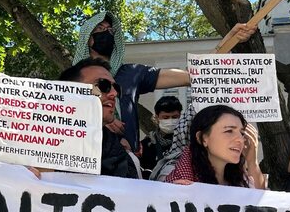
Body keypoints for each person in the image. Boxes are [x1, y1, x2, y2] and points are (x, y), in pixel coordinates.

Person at [72, 12, 255, 150]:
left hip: (126, 157)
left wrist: (229, 40)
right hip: (84, 154)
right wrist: (102, 116)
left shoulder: (132, 73)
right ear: (88, 39)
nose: (107, 33)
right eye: (100, 30)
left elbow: (192, 74)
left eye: (110, 30)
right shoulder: (73, 79)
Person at [57, 58, 139, 179]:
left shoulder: (124, 156)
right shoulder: (34, 148)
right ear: (71, 92)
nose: (114, 94)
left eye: (116, 88)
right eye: (103, 85)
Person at [163, 104, 265, 188]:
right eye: (229, 131)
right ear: (202, 138)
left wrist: (252, 162)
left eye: (242, 133)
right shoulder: (176, 181)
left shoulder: (240, 180)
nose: (240, 139)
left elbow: (260, 205)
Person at [139, 95, 182, 175]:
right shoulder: (146, 145)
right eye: (166, 118)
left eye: (174, 117)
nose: (170, 121)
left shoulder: (185, 142)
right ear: (157, 117)